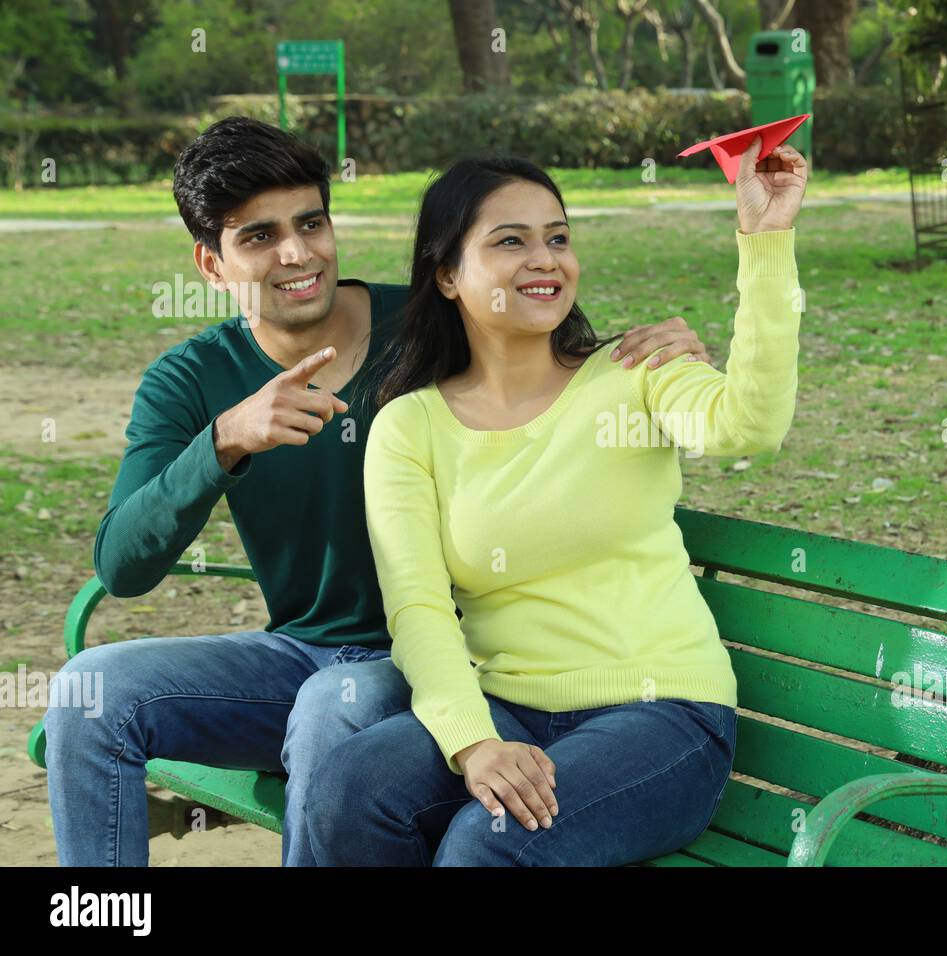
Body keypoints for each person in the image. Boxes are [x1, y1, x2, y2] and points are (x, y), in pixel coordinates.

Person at [40, 116, 711, 867]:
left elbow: (554, 347)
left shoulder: (429, 322)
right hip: (298, 654)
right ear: (210, 263)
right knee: (88, 693)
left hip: (448, 664)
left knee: (336, 710)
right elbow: (122, 568)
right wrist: (223, 442)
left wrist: (662, 348)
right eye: (258, 237)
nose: (297, 254)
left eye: (311, 222)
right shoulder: (192, 379)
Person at [305, 135, 807, 866]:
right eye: (511, 241)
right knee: (348, 790)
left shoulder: (636, 371)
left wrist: (765, 242)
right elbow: (417, 609)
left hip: (660, 713)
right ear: (447, 275)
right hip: (506, 704)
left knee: (492, 843)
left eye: (558, 238)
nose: (545, 260)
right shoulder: (410, 426)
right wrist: (474, 742)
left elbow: (750, 424)